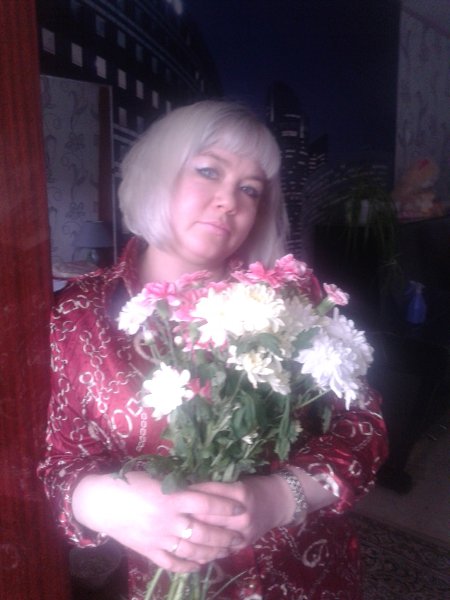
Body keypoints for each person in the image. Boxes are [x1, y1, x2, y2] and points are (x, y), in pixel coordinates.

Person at [38, 100, 388, 600]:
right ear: (158, 173)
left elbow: (363, 426)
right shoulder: (79, 311)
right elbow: (57, 463)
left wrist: (280, 497)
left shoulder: (293, 298)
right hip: (164, 584)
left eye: (250, 189)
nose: (230, 201)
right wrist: (100, 501)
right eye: (208, 171)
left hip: (306, 573)